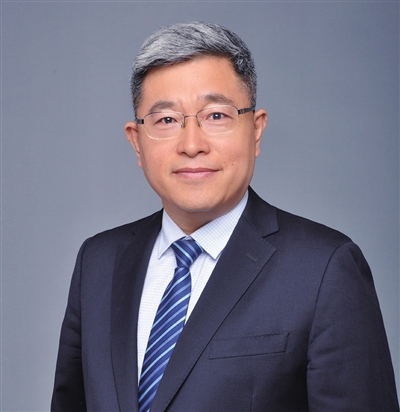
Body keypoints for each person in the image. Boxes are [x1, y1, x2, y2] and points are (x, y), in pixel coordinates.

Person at [51, 22, 398, 412]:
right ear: (136, 141)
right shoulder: (99, 262)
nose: (192, 145)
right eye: (167, 120)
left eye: (216, 115)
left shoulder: (324, 268)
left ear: (256, 130)